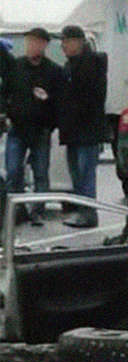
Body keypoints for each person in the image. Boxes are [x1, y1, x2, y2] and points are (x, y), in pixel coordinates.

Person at [1, 28, 63, 225]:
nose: (32, 46)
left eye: (36, 42)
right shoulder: (16, 67)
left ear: (44, 45)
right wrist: (5, 114)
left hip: (40, 130)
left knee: (41, 174)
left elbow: (60, 103)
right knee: (13, 171)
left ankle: (37, 211)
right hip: (17, 128)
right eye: (30, 42)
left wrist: (49, 108)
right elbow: (4, 92)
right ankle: (15, 211)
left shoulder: (53, 71)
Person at [58, 25, 108, 228]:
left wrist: (70, 107)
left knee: (85, 172)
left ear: (78, 42)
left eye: (67, 41)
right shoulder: (69, 66)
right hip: (72, 131)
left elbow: (91, 97)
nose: (63, 46)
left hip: (87, 129)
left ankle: (88, 212)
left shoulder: (91, 64)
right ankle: (81, 210)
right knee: (76, 175)